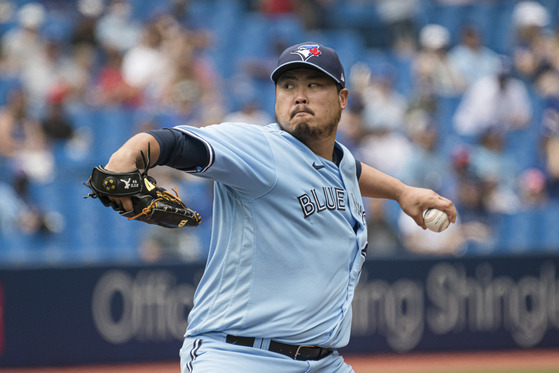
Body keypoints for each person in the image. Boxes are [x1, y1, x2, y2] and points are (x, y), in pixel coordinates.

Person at [100, 42, 456, 373]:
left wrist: (402, 192)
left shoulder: (336, 161)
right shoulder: (258, 148)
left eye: (314, 85)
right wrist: (127, 155)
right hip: (238, 357)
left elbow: (349, 169)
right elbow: (177, 143)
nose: (299, 96)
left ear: (343, 98)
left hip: (323, 362)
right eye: (287, 86)